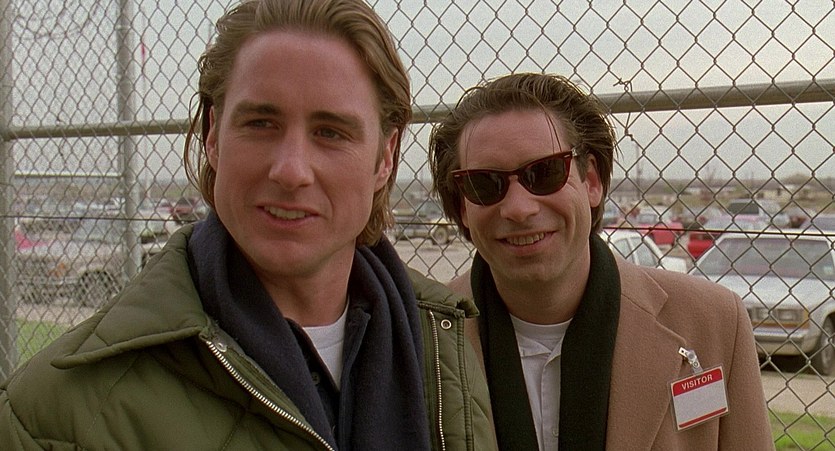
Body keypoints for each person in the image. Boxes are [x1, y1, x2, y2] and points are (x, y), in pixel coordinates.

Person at [0, 1, 496, 449]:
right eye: (260, 124)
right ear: (213, 136)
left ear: (385, 157)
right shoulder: (59, 411)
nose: (291, 171)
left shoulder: (444, 346)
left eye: (330, 132)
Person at [429, 73, 773, 450]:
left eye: (543, 173)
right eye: (484, 184)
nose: (518, 208)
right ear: (462, 206)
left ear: (591, 181)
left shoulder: (714, 323)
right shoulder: (417, 341)